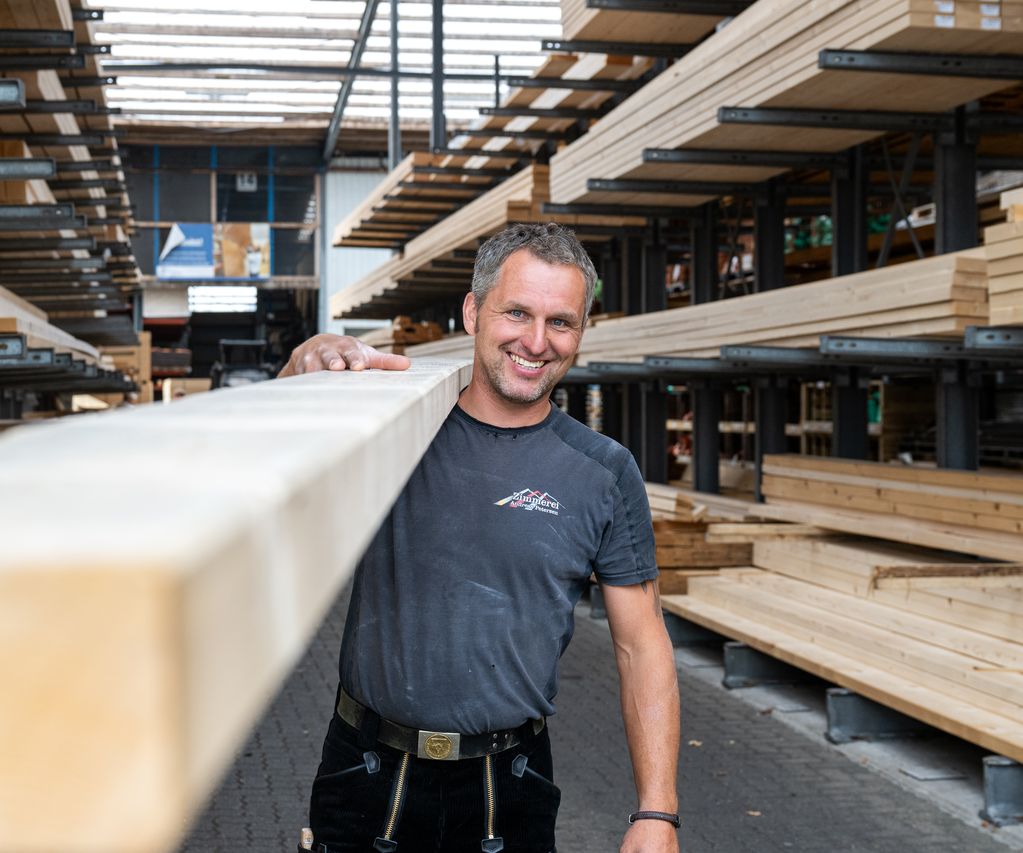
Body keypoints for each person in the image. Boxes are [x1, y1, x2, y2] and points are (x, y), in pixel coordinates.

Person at [280, 223, 680, 853]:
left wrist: (657, 813)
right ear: (472, 311)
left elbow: (641, 644)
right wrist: (303, 363)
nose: (536, 341)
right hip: (367, 775)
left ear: (581, 332)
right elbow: (278, 457)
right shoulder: (389, 430)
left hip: (509, 788)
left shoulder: (604, 472)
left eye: (561, 322)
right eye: (516, 312)